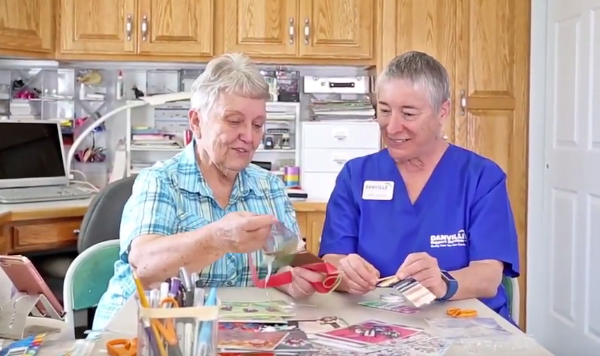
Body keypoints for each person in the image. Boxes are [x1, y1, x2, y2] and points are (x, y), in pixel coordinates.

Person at [93, 53, 322, 330]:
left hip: (228, 333)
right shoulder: (160, 180)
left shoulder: (270, 186)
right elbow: (146, 267)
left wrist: (293, 279)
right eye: (234, 121)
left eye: (258, 125)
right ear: (197, 122)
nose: (249, 137)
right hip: (140, 333)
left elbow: (286, 263)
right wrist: (217, 238)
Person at [319, 51, 520, 324]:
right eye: (385, 110)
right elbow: (332, 259)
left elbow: (488, 275)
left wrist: (443, 283)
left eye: (409, 114)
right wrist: (345, 274)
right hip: (375, 324)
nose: (391, 126)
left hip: (465, 323)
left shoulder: (481, 177)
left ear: (442, 111)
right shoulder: (356, 175)